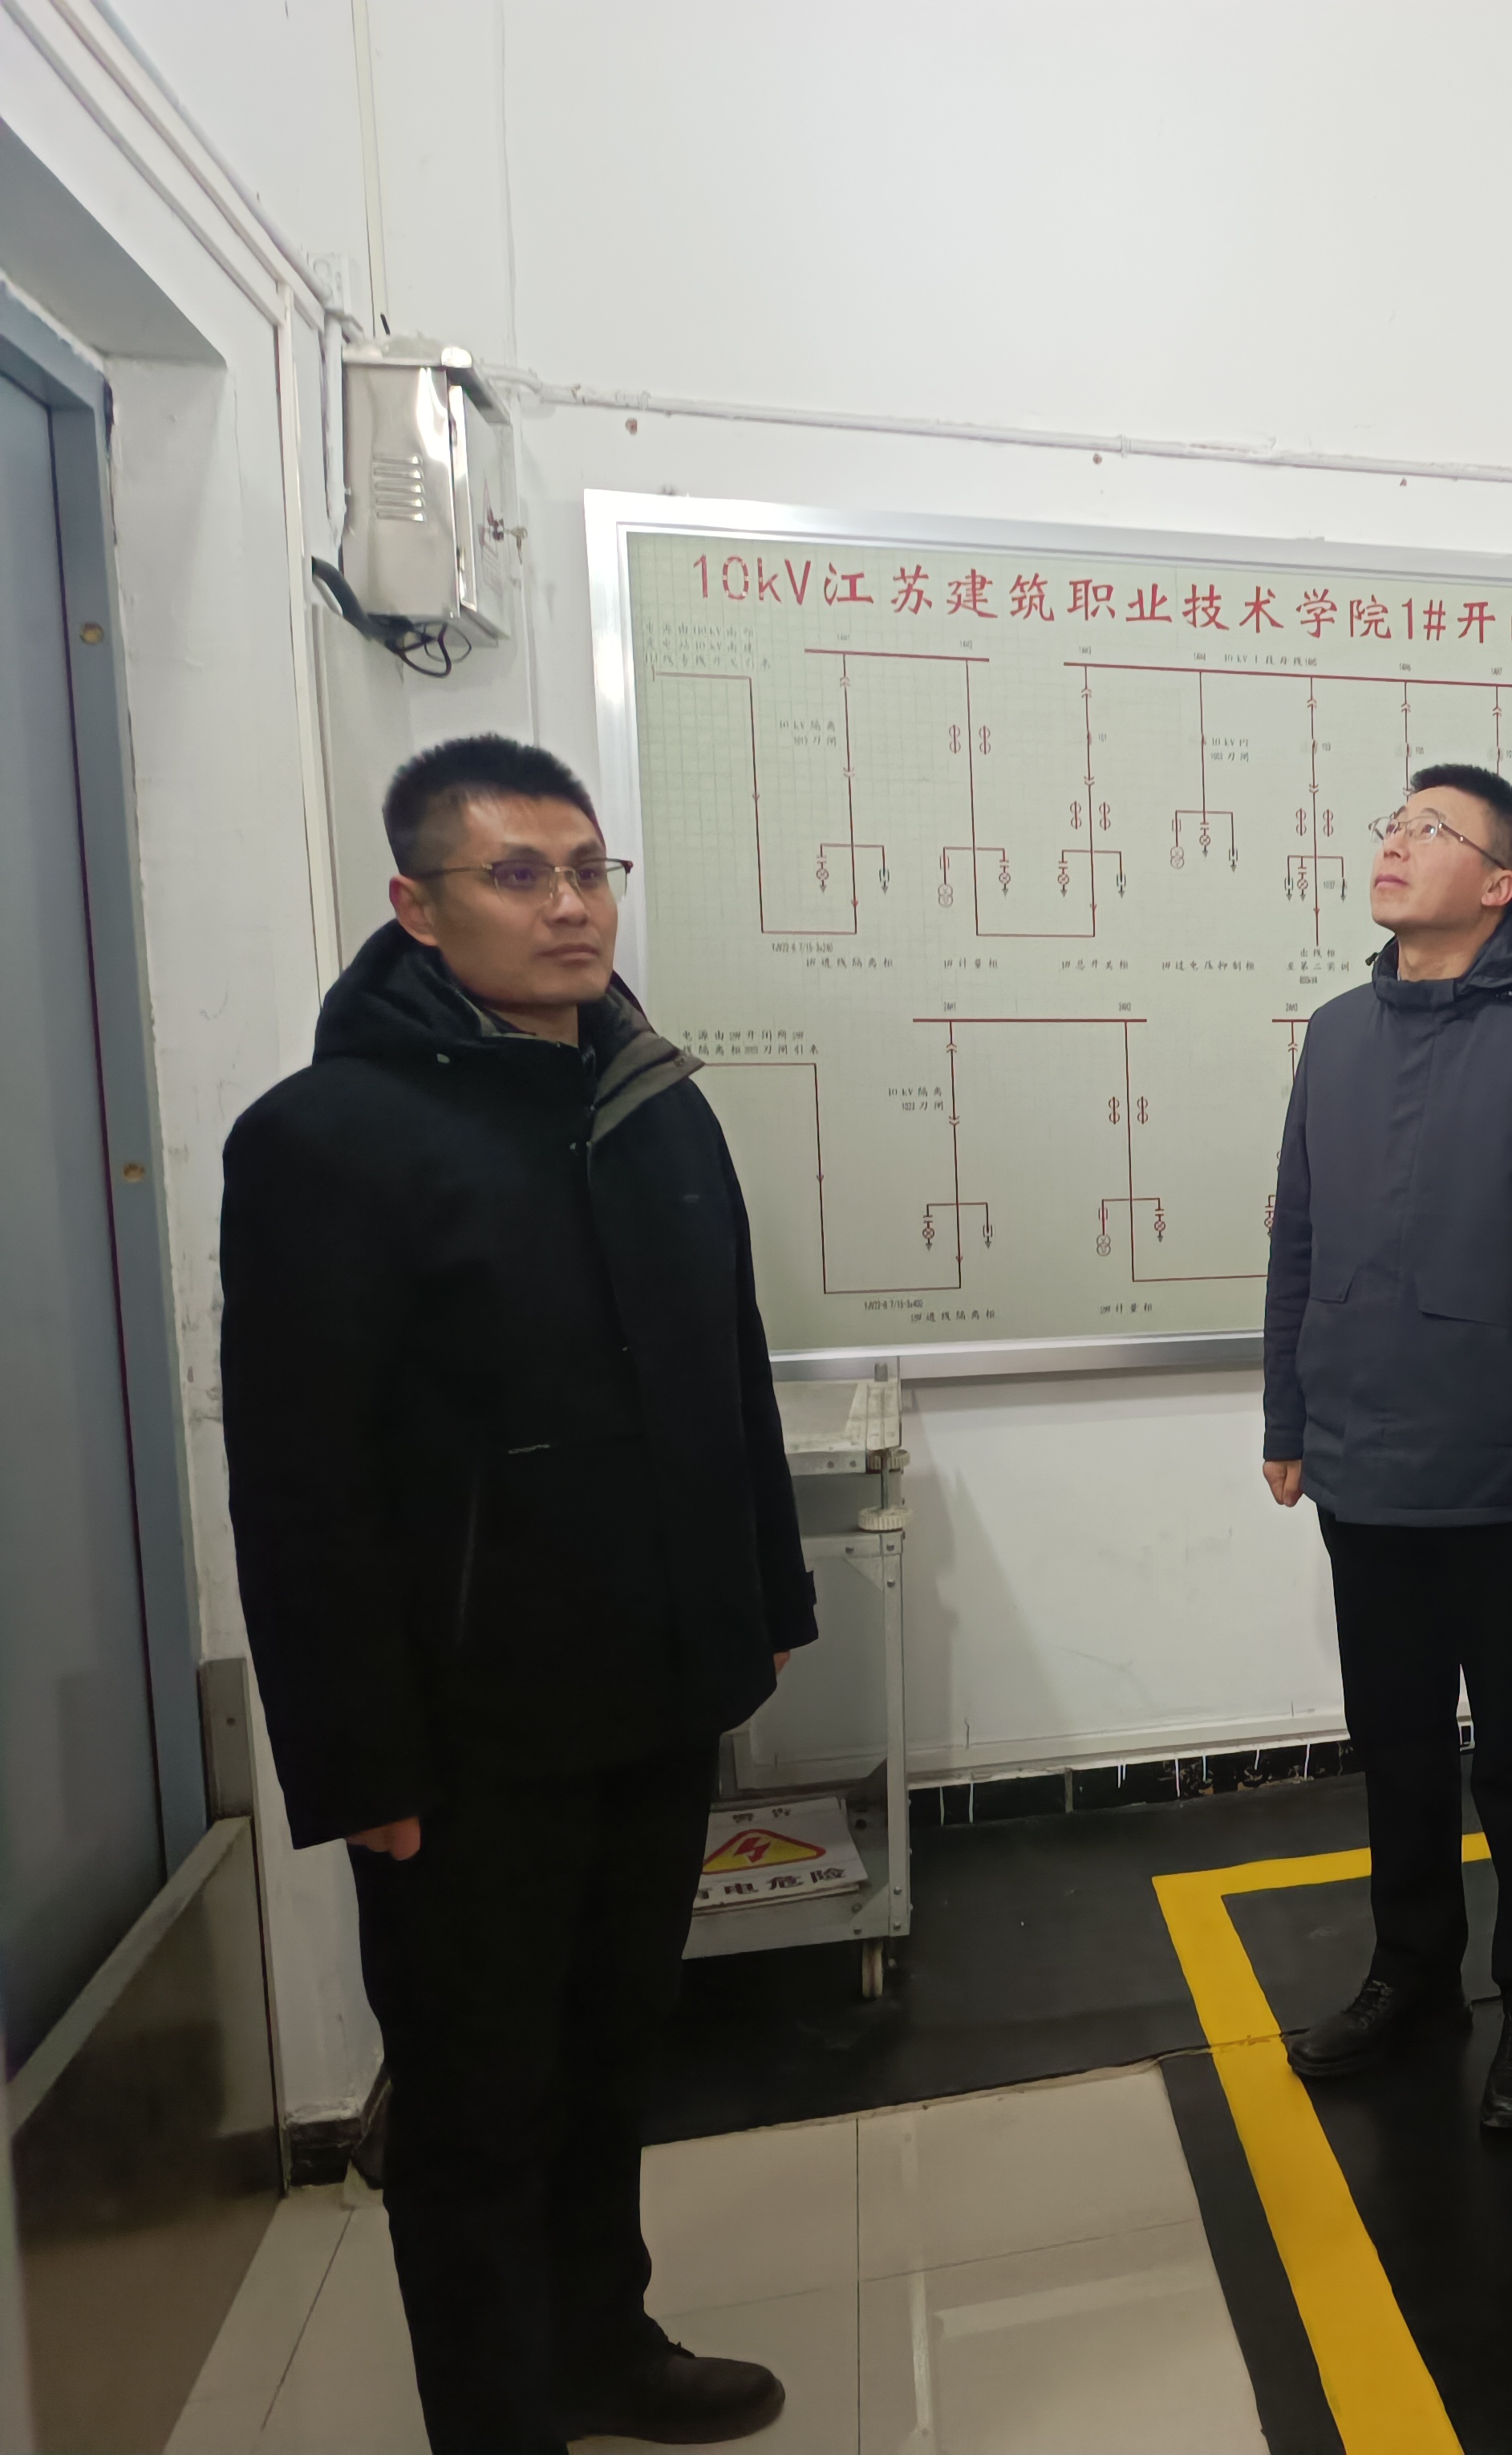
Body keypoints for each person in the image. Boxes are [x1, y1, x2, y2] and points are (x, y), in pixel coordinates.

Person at [221, 736, 812, 2454]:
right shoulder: (333, 1139)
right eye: (520, 875)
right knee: (479, 2104)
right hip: (468, 1729)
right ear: (417, 907)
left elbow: (727, 1370)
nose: (571, 908)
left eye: (589, 870)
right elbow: (300, 1475)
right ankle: (499, 2418)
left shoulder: (652, 1100)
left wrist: (763, 1600)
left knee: (615, 2053)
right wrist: (359, 1759)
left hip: (654, 1683)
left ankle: (602, 2346)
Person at [1261, 762, 1512, 2130]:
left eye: (1429, 830)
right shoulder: (1336, 1033)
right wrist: (1288, 1415)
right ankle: (1412, 1976)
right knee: (1398, 1744)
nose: (1394, 842)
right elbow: (1298, 1237)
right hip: (1360, 1464)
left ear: (1499, 883)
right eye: (1393, 822)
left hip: (1508, 1478)